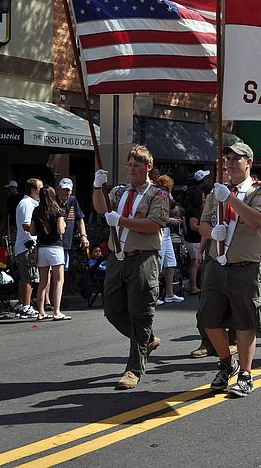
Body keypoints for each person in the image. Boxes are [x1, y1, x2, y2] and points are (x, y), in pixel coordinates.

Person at [198, 142, 261, 396]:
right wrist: (211, 231)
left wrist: (229, 198)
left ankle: (246, 374)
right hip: (217, 265)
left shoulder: (259, 191)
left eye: (236, 158)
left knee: (244, 322)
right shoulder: (217, 191)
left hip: (245, 267)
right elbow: (203, 224)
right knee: (208, 319)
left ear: (248, 162)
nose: (229, 162)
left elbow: (258, 221)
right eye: (227, 158)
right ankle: (226, 361)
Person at [93, 145, 169, 391]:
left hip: (142, 259)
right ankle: (146, 340)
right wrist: (97, 187)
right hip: (118, 257)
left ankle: (134, 369)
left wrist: (122, 221)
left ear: (148, 167)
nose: (132, 169)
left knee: (140, 314)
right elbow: (101, 208)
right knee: (113, 310)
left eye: (137, 165)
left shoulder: (157, 195)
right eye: (129, 165)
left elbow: (155, 223)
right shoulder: (118, 192)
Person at [30, 185, 70, 321]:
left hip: (42, 248)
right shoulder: (57, 210)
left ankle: (40, 312)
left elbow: (32, 232)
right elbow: (60, 230)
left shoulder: (36, 211)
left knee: (43, 281)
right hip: (55, 248)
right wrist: (63, 224)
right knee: (59, 280)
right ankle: (57, 311)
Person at [13, 178, 41, 319]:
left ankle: (22, 304)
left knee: (26, 277)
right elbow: (26, 225)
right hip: (27, 245)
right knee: (29, 277)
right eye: (40, 189)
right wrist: (42, 229)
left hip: (27, 245)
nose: (41, 191)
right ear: (33, 190)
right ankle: (26, 306)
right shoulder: (26, 204)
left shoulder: (31, 203)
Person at [154, 174, 185, 305]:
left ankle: (169, 293)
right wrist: (170, 219)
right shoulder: (159, 196)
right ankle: (153, 295)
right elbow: (157, 215)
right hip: (160, 232)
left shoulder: (166, 196)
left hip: (166, 233)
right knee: (158, 265)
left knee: (171, 262)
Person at [56, 177, 89, 268]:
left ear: (71, 191)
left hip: (66, 242)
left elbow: (79, 219)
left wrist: (83, 236)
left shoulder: (73, 200)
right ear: (58, 189)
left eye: (68, 190)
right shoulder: (53, 201)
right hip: (53, 243)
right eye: (63, 189)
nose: (65, 192)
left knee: (63, 270)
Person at [182, 188, 204, 295]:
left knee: (192, 263)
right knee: (194, 264)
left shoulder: (191, 209)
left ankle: (192, 285)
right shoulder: (194, 211)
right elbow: (193, 226)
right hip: (194, 240)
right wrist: (205, 229)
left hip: (191, 240)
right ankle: (194, 287)